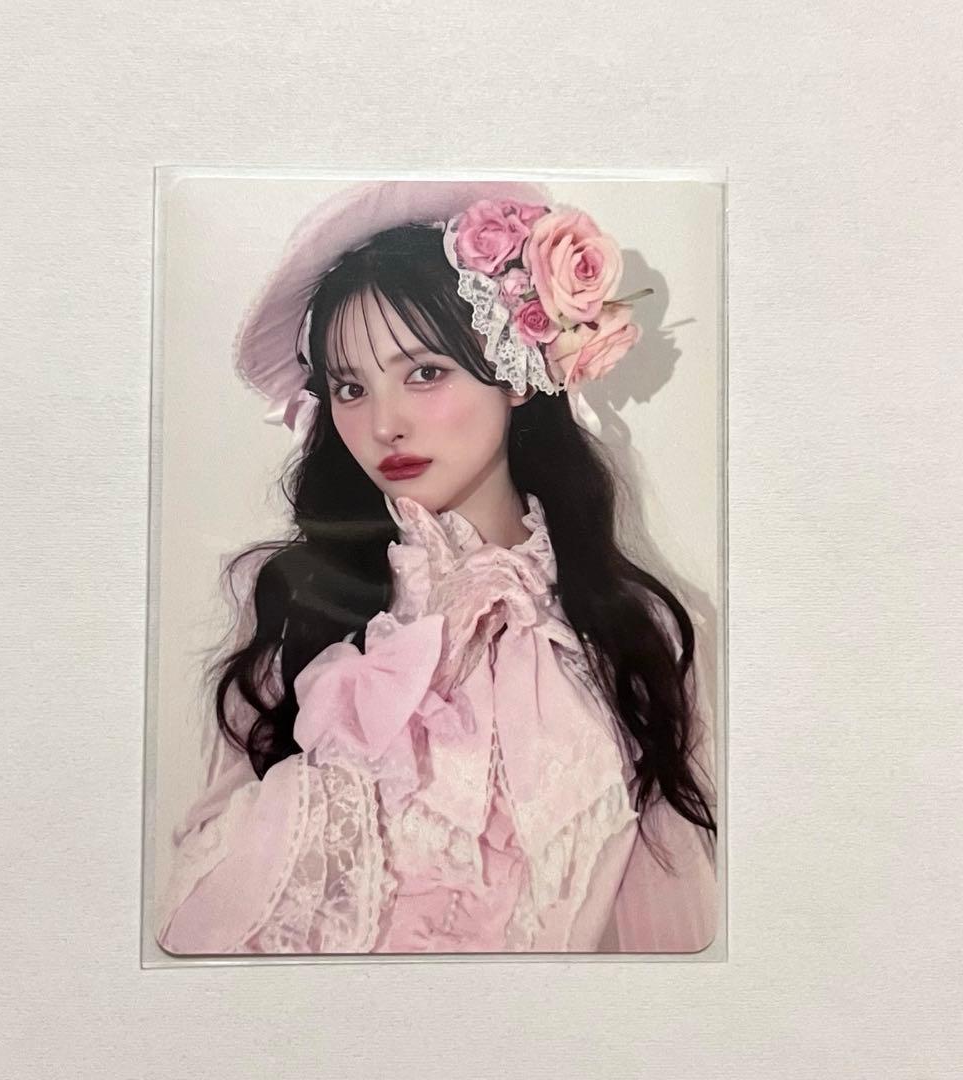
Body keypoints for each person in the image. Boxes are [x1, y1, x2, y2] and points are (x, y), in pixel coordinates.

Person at [156, 179, 718, 955]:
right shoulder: (291, 599)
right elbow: (196, 913)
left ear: (514, 371)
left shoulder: (631, 628)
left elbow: (671, 926)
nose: (384, 423)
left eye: (424, 372)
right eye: (350, 387)